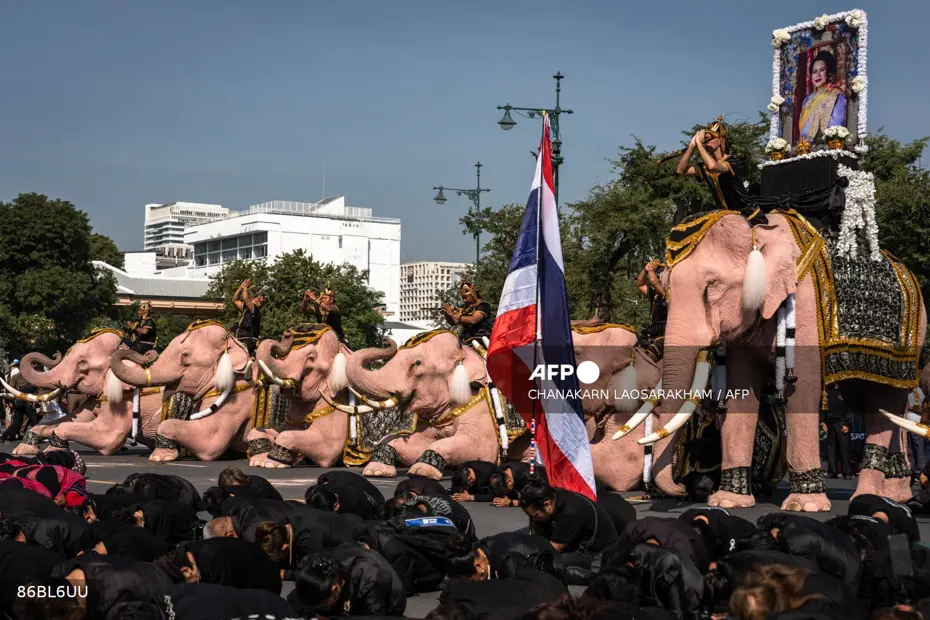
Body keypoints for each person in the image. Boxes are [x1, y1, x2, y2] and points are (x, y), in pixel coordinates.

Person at [519, 480, 618, 571]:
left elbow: (553, 549)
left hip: (600, 553)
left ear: (547, 504)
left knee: (548, 563)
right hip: (575, 538)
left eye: (536, 515)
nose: (534, 520)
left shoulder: (569, 513)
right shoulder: (554, 495)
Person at [676, 115, 746, 212]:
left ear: (720, 140)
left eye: (709, 139)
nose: (706, 143)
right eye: (705, 140)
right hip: (725, 213)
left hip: (744, 211)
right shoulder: (705, 167)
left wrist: (699, 144)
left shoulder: (733, 161)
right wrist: (692, 145)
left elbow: (713, 166)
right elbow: (680, 170)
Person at [798, 50, 848, 141]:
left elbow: (836, 127)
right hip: (804, 146)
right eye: (814, 71)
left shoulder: (837, 96)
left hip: (826, 145)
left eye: (822, 70)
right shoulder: (807, 99)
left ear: (829, 72)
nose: (818, 75)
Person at [442, 281, 492, 346]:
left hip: (481, 336)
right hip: (465, 337)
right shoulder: (464, 307)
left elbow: (474, 320)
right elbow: (454, 322)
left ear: (473, 294)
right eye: (463, 298)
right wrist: (447, 314)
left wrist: (452, 314)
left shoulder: (483, 305)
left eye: (466, 297)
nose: (464, 300)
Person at [636, 259, 667, 362]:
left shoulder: (669, 293)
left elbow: (653, 281)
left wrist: (651, 269)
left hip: (667, 333)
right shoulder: (655, 294)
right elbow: (640, 284)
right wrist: (645, 269)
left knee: (652, 352)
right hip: (654, 331)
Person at [820, 383, 853, 480]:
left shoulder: (846, 391)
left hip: (842, 422)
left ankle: (847, 472)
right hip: (830, 423)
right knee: (831, 448)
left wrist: (847, 423)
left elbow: (850, 408)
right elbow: (822, 407)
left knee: (844, 448)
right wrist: (822, 422)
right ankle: (832, 471)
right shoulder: (826, 391)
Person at [0, 361, 37, 442]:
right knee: (33, 417)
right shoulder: (18, 376)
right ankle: (35, 435)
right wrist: (9, 401)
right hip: (21, 401)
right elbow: (11, 388)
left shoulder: (31, 377)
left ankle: (3, 437)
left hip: (23, 401)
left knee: (17, 422)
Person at [231, 279, 266, 355]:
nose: (257, 300)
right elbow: (235, 299)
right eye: (257, 298)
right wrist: (241, 287)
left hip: (248, 340)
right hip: (241, 338)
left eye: (260, 301)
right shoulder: (246, 308)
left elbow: (245, 298)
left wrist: (245, 287)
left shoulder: (255, 310)